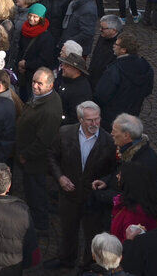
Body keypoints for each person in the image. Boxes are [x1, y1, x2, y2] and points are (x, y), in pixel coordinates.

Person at [45, 101, 116, 270]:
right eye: (90, 120)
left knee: (93, 235)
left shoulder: (109, 141)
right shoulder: (65, 133)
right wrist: (60, 177)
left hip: (93, 198)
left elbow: (115, 170)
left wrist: (106, 180)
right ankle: (67, 259)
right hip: (69, 195)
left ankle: (88, 266)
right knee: (68, 230)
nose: (94, 124)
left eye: (97, 119)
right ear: (80, 119)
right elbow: (51, 156)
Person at [93, 114, 157, 243]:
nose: (111, 133)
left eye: (115, 131)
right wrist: (107, 181)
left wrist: (101, 195)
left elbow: (133, 196)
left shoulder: (141, 164)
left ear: (127, 135)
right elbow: (121, 173)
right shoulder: (133, 150)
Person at [15, 67, 62, 234]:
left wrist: (25, 155)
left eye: (39, 83)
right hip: (29, 154)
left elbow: (43, 141)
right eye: (34, 81)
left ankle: (40, 224)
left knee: (36, 192)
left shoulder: (50, 110)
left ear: (50, 85)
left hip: (35, 160)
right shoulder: (42, 97)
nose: (34, 86)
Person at [94, 31, 153, 130]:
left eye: (116, 44)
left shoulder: (115, 69)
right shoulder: (146, 67)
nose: (113, 46)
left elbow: (101, 95)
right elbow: (148, 90)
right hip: (133, 114)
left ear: (123, 50)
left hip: (111, 116)